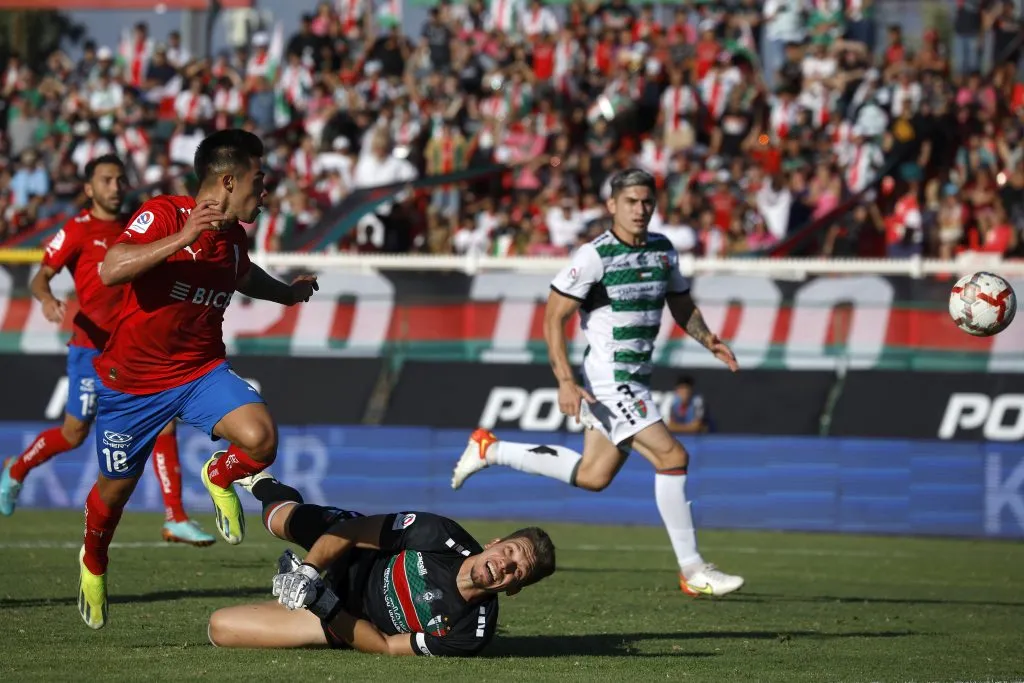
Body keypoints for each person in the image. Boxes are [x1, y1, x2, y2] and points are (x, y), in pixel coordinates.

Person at [452, 168, 744, 597]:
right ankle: (693, 569)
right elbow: (554, 316)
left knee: (593, 474)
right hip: (610, 380)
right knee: (672, 455)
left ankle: (490, 448)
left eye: (647, 201)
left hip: (636, 380)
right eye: (631, 201)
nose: (640, 209)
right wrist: (565, 381)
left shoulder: (663, 251)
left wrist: (708, 338)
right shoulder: (594, 256)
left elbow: (679, 302)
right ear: (612, 205)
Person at [77, 130, 319, 630]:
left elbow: (244, 275)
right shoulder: (164, 214)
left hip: (199, 371)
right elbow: (111, 268)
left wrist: (289, 296)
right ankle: (94, 562)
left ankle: (220, 473)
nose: (265, 189)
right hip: (133, 385)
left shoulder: (233, 237)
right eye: (259, 178)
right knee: (114, 493)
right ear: (228, 180)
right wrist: (183, 238)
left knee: (261, 440)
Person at [0, 155, 214, 547]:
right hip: (89, 348)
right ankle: (17, 469)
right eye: (106, 180)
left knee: (164, 422)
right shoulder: (78, 229)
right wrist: (47, 299)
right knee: (74, 433)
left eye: (120, 180)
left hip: (133, 350)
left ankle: (175, 517)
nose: (115, 187)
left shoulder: (140, 224)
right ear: (89, 188)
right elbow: (40, 277)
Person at [207, 472, 556, 656]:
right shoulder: (439, 533)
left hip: (345, 617)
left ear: (513, 589)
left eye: (516, 572)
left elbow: (386, 646)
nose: (504, 566)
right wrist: (307, 572)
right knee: (279, 519)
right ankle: (263, 482)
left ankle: (304, 600)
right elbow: (355, 531)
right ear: (495, 543)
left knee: (220, 629)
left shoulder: (470, 632)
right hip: (352, 550)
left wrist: (322, 603)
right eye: (509, 552)